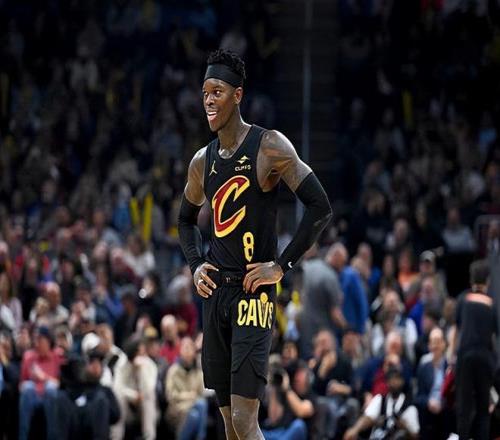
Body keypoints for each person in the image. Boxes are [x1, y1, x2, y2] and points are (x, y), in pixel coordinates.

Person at [178, 49, 332, 439]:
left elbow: (319, 207)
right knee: (231, 426)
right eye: (204, 92)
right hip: (216, 296)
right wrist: (195, 264)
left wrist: (281, 265)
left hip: (254, 296)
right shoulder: (201, 161)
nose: (208, 100)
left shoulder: (269, 145)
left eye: (217, 91)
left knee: (246, 421)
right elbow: (184, 220)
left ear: (238, 95)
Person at [451, 260, 498, 440]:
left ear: (471, 279)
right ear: (488, 280)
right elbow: (494, 336)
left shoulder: (463, 299)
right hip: (485, 359)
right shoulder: (491, 303)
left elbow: (456, 331)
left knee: (464, 407)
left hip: (465, 358)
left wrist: (452, 357)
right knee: (483, 409)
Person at [343, 367, 419, 440]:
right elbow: (368, 417)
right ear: (387, 382)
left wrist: (405, 428)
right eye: (390, 379)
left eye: (397, 379)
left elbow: (415, 435)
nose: (393, 382)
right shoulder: (380, 399)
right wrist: (355, 429)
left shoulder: (409, 407)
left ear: (402, 381)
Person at [165, 336, 207, 440]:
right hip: (177, 408)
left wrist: (193, 398)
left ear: (194, 352)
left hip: (194, 405)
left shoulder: (198, 372)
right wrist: (187, 396)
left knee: (199, 408)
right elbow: (170, 395)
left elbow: (201, 393)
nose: (187, 351)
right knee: (195, 413)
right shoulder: (173, 371)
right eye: (185, 348)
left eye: (190, 348)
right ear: (180, 351)